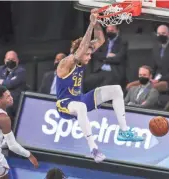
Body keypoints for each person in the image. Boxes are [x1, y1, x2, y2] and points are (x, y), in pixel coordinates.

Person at [55, 10, 144, 163]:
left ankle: (124, 131)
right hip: (65, 105)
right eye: (88, 55)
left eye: (91, 54)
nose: (90, 57)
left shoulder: (82, 57)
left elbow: (101, 39)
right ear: (79, 52)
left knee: (116, 89)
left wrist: (96, 22)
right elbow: (81, 49)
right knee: (81, 108)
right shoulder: (67, 62)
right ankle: (93, 149)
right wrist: (90, 24)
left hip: (80, 99)